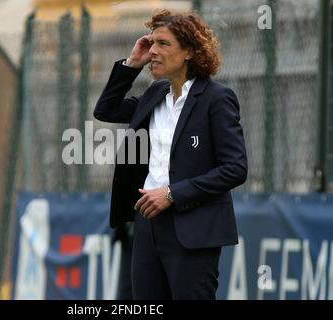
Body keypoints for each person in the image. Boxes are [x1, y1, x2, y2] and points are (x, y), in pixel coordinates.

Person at [94, 9, 248, 300]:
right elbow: (105, 110)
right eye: (151, 43)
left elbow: (235, 168)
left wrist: (172, 194)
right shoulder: (155, 94)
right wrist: (132, 63)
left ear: (189, 51)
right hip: (148, 225)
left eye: (163, 44)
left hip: (193, 230)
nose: (153, 50)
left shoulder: (216, 99)